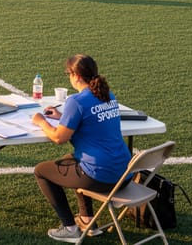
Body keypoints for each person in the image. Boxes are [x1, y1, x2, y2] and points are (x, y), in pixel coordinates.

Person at [31, 54, 132, 243]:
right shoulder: (109, 95)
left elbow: (59, 138)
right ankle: (87, 219)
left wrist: (41, 121)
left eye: (67, 73)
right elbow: (91, 121)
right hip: (124, 175)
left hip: (101, 177)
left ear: (76, 75)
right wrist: (63, 116)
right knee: (74, 159)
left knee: (41, 171)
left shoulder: (76, 101)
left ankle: (69, 228)